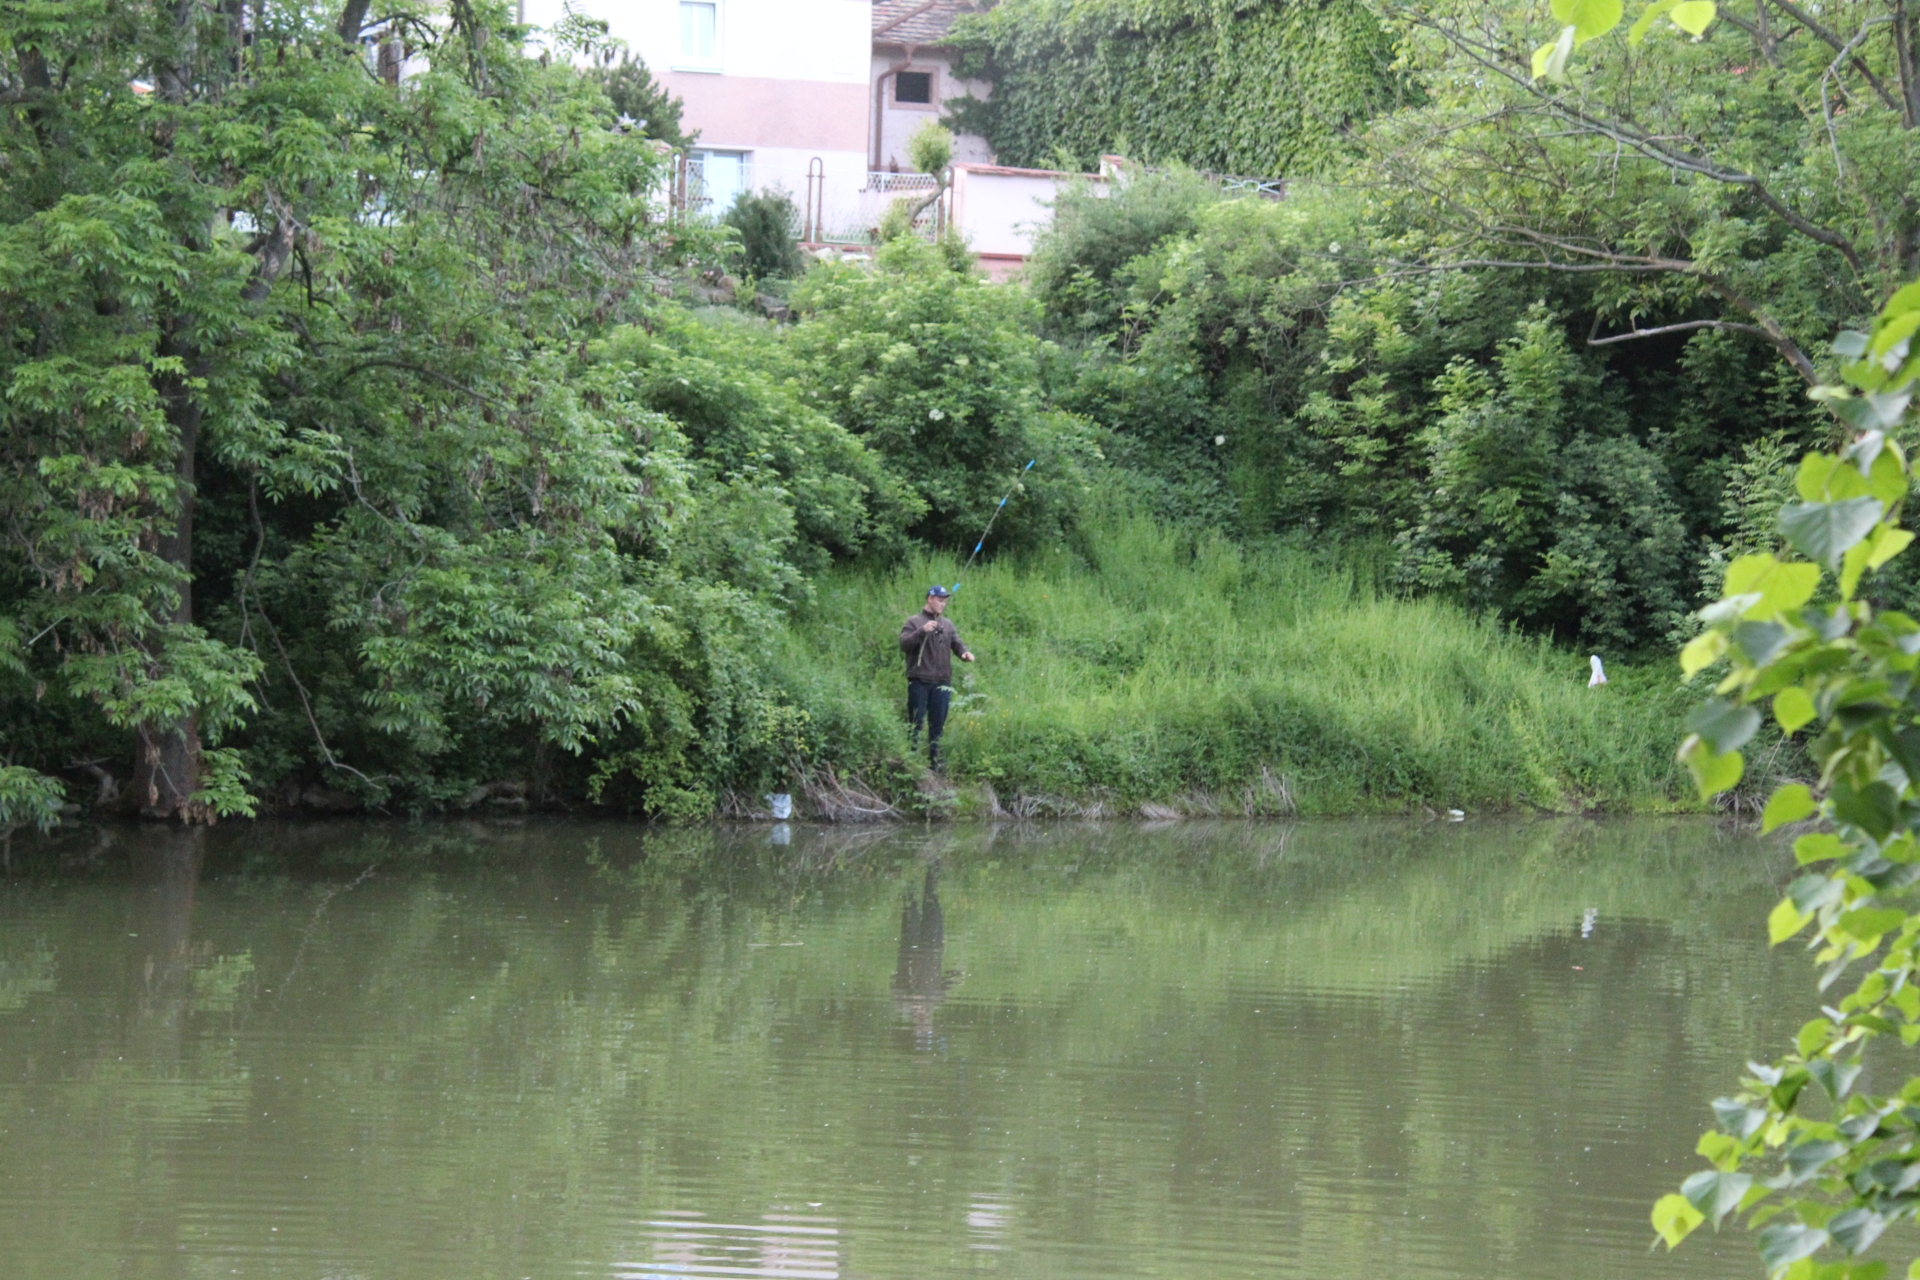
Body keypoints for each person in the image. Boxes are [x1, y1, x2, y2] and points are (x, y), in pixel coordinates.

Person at [899, 585, 974, 770]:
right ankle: (911, 763)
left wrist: (964, 653)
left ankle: (936, 764)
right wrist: (922, 631)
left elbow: (957, 643)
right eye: (940, 600)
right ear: (930, 599)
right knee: (915, 724)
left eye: (945, 601)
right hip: (919, 681)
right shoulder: (914, 621)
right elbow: (904, 644)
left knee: (938, 726)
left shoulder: (947, 624)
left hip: (942, 682)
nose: (943, 604)